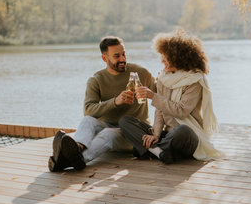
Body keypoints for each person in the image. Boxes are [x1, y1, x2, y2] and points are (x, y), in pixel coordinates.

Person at [48, 36, 156, 171]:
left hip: (132, 132)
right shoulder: (96, 80)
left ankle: (69, 160)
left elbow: (161, 93)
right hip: (107, 126)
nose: (122, 59)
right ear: (105, 58)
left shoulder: (140, 73)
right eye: (116, 56)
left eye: (124, 54)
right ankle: (78, 148)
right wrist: (115, 102)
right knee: (87, 120)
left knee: (109, 134)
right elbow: (88, 110)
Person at [119, 28, 223, 164]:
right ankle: (160, 152)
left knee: (183, 130)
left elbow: (181, 111)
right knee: (125, 121)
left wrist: (153, 96)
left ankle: (150, 150)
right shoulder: (163, 77)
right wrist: (155, 134)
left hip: (186, 136)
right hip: (167, 135)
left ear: (178, 58)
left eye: (165, 57)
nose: (162, 61)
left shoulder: (195, 80)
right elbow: (160, 111)